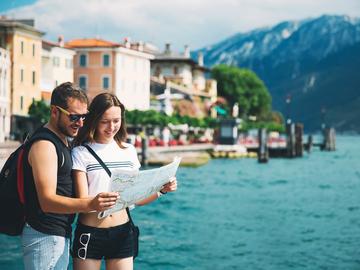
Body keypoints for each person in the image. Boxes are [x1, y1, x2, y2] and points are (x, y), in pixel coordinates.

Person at [71, 93, 177, 270]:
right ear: (94, 119)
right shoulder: (80, 152)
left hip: (123, 231)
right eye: (105, 121)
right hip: (90, 232)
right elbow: (82, 201)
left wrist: (161, 190)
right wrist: (96, 202)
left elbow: (136, 198)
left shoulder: (128, 151)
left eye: (116, 120)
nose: (111, 127)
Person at [21, 82, 119, 270]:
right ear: (54, 112)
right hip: (44, 235)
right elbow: (47, 201)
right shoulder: (45, 145)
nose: (80, 123)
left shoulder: (62, 141)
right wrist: (91, 204)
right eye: (74, 117)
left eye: (84, 117)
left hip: (55, 235)